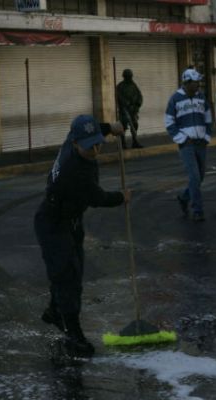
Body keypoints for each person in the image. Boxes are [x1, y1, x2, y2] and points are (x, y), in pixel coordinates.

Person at [34, 115, 129, 358]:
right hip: (53, 224)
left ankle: (55, 310)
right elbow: (98, 198)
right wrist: (122, 197)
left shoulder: (72, 139)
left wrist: (111, 128)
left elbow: (95, 129)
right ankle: (73, 333)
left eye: (98, 143)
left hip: (71, 221)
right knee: (68, 278)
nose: (96, 149)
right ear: (76, 144)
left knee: (74, 270)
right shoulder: (73, 171)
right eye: (90, 146)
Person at [165, 68, 212, 222]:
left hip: (201, 143)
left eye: (199, 82)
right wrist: (182, 139)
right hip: (187, 145)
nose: (198, 85)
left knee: (200, 177)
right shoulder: (175, 99)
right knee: (194, 176)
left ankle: (184, 198)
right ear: (187, 83)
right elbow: (169, 122)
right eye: (195, 82)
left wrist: (207, 136)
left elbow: (208, 117)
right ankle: (198, 210)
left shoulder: (201, 97)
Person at [116, 68, 144, 149]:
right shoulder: (120, 86)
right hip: (124, 111)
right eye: (128, 76)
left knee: (134, 125)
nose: (129, 78)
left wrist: (138, 104)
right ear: (124, 77)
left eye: (130, 76)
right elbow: (119, 97)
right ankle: (123, 144)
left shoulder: (133, 85)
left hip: (133, 111)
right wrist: (126, 104)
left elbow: (139, 95)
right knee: (123, 127)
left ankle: (135, 142)